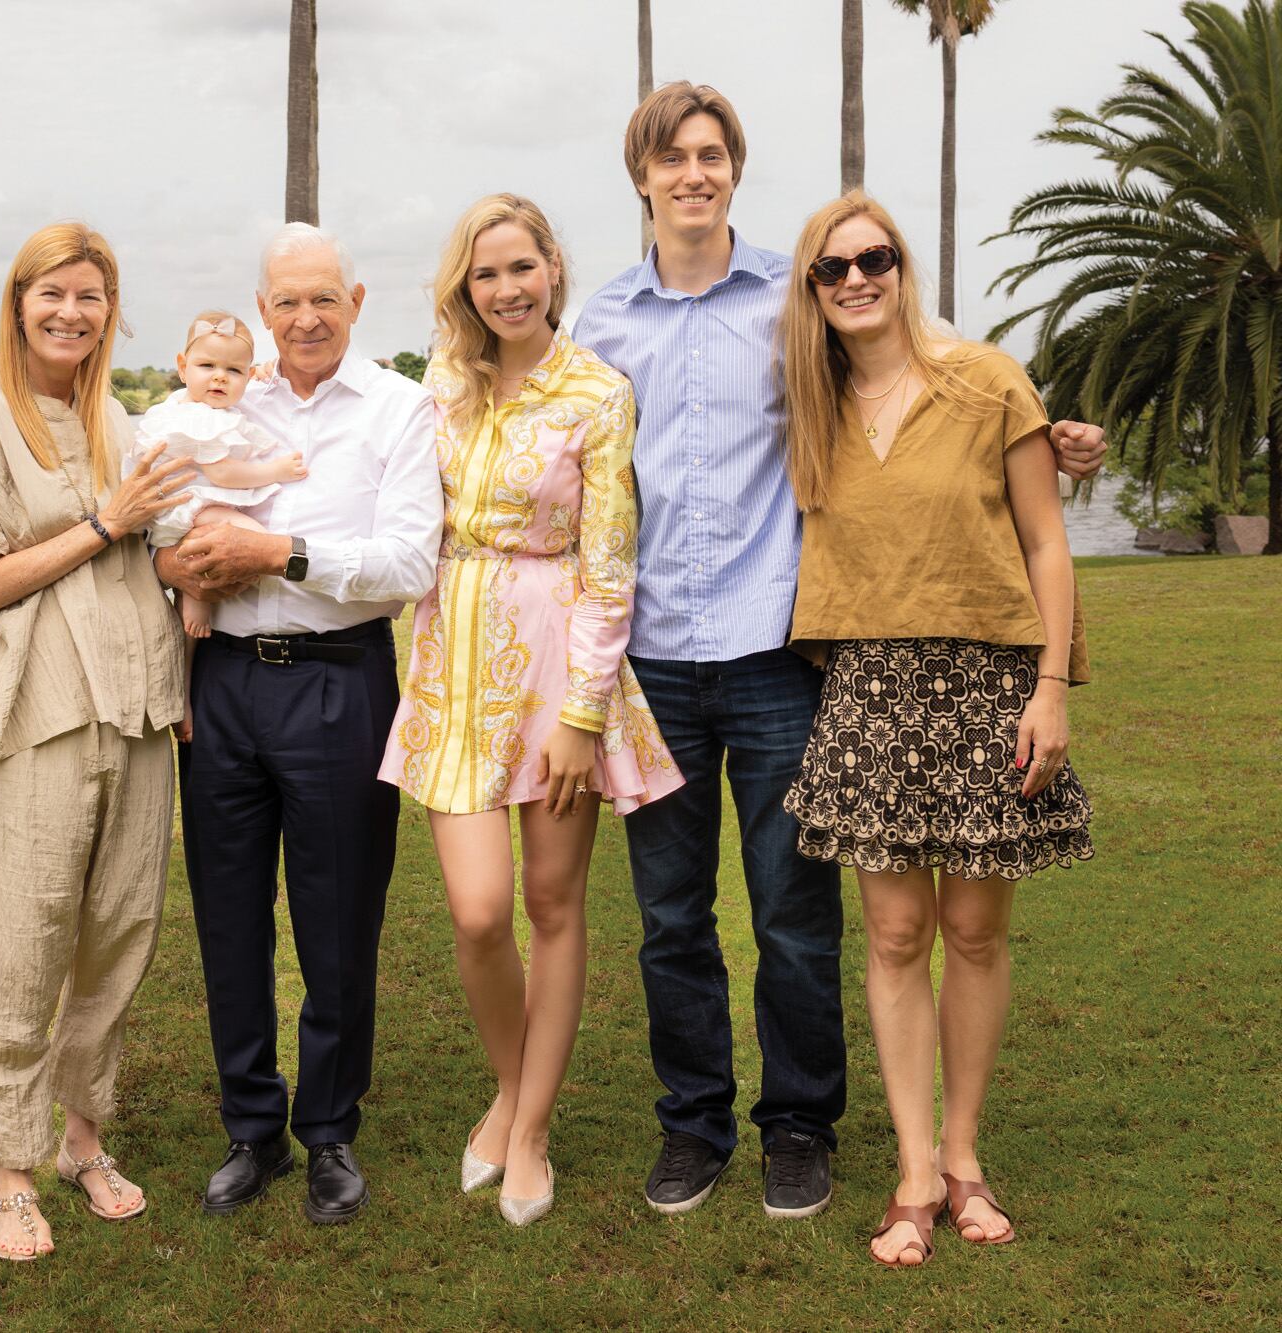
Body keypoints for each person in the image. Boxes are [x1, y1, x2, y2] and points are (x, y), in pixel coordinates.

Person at [571, 81, 1108, 1221]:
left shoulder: (790, 301)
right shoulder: (601, 324)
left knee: (792, 916)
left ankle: (801, 1127)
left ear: (732, 168)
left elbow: (923, 363)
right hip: (652, 657)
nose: (692, 174)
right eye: (671, 159)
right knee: (669, 917)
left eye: (711, 153)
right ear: (640, 179)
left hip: (777, 654)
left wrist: (1044, 430)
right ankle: (693, 1125)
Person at [778, 191, 1093, 1267]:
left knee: (971, 931)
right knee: (895, 934)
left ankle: (963, 1158)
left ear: (901, 268)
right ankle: (912, 1168)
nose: (856, 277)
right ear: (812, 293)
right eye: (832, 268)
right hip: (866, 686)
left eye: (874, 258)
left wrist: (1049, 685)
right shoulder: (807, 400)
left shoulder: (983, 381)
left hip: (986, 682)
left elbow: (1046, 542)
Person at [379, 194, 684, 1227]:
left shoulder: (596, 391)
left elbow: (609, 567)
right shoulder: (442, 385)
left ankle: (530, 1123)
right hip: (451, 659)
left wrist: (583, 716)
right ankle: (508, 1086)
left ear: (553, 267)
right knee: (475, 913)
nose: (504, 289)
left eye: (521, 267)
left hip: (557, 663)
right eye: (484, 274)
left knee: (551, 908)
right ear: (464, 288)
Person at [0, 221, 195, 1261]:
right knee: (16, 941)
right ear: (18, 302)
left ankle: (83, 1139)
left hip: (135, 711)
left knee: (118, 934)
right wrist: (108, 523)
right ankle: (10, 1169)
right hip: (30, 716)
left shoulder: (117, 420)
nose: (71, 313)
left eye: (90, 297)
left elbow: (146, 561)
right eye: (53, 295)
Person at [154, 222, 441, 1225]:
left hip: (337, 679)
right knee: (227, 913)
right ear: (262, 307)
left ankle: (326, 1130)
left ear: (355, 303)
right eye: (285, 301)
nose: (304, 318)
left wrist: (276, 549)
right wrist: (179, 562)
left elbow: (407, 562)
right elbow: (157, 510)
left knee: (336, 915)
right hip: (224, 678)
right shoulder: (220, 400)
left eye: (323, 298)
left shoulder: (401, 409)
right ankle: (248, 1126)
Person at [132, 310, 308, 645]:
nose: (220, 378)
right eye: (207, 367)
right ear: (183, 367)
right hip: (192, 506)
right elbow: (223, 473)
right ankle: (200, 601)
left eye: (234, 370)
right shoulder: (200, 419)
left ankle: (192, 611)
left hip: (187, 507)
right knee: (255, 537)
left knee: (208, 550)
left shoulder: (183, 406)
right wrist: (276, 471)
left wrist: (264, 374)